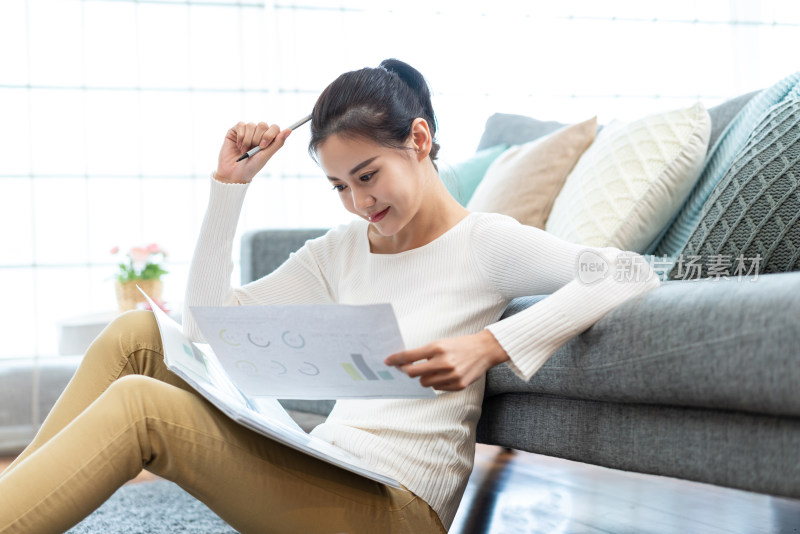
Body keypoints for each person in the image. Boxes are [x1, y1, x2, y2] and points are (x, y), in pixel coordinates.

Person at [0, 58, 660, 533]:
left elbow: (630, 272)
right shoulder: (340, 250)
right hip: (326, 464)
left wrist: (490, 345)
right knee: (136, 335)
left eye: (368, 175)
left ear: (419, 141)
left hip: (396, 510)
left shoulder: (485, 242)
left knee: (140, 409)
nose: (359, 201)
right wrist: (230, 188)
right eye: (340, 186)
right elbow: (207, 323)